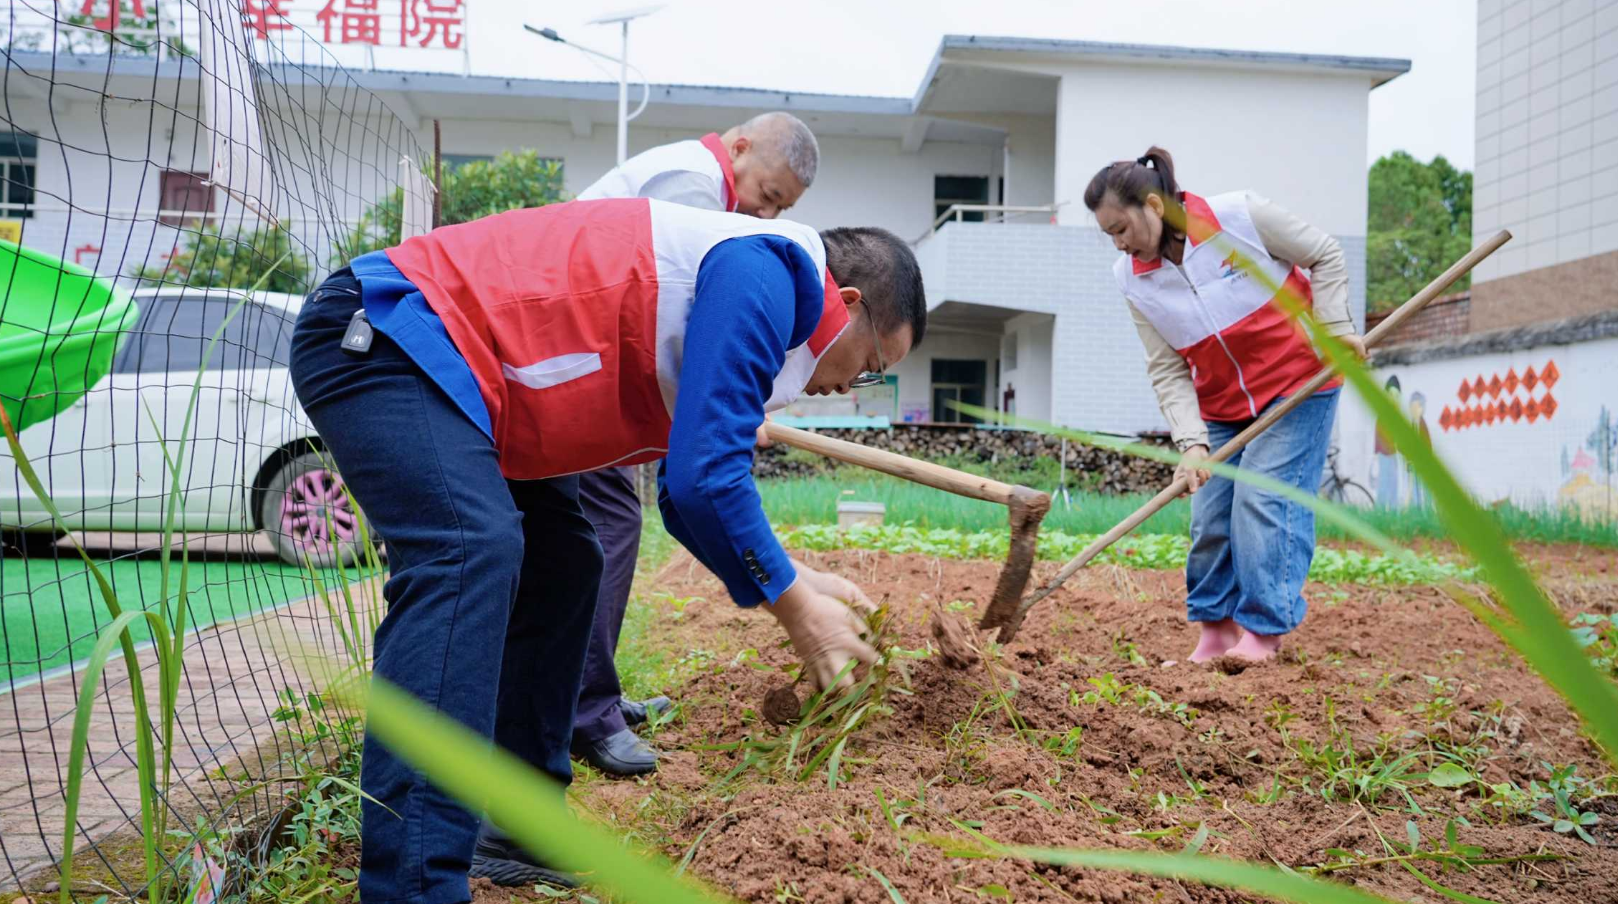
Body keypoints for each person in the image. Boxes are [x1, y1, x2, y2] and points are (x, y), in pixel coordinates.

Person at [288, 196, 925, 903]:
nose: (855, 385)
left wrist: (796, 576)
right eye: (874, 363)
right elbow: (705, 479)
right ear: (848, 302)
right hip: (388, 332)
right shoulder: (770, 271)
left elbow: (684, 495)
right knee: (470, 551)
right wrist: (797, 609)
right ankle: (411, 887)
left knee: (564, 560)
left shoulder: (763, 310)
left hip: (471, 380)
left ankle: (517, 828)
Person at [569, 112, 821, 777]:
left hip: (597, 364)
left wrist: (728, 398)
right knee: (605, 524)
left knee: (596, 527)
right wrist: (726, 399)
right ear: (739, 147)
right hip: (582, 358)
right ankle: (586, 710)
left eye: (781, 209)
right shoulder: (691, 183)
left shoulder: (701, 181)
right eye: (768, 194)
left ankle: (589, 699)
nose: (766, 215)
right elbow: (680, 305)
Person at [1084, 146, 1366, 664]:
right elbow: (1167, 366)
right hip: (1220, 406)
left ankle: (1263, 633)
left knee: (1264, 500)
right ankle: (1216, 632)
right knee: (1210, 514)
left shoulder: (1240, 216)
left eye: (1121, 229)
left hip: (1298, 383)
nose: (1119, 244)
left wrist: (1336, 327)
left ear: (1153, 206)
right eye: (1110, 236)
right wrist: (1191, 443)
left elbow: (1324, 253)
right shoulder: (1131, 278)